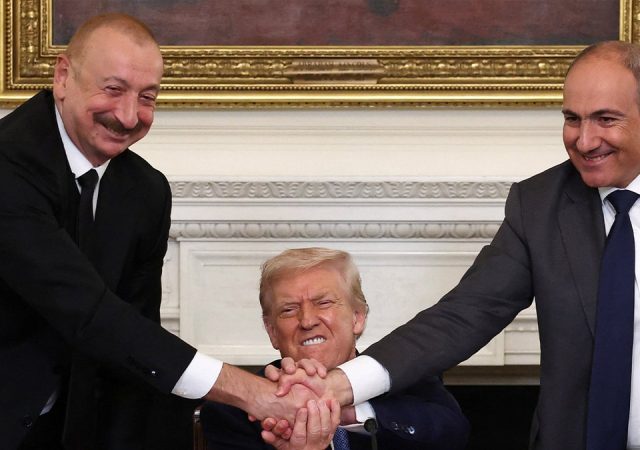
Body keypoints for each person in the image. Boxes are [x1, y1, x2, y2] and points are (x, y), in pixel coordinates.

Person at [265, 41, 640, 450]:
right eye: (572, 119)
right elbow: (462, 317)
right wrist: (339, 384)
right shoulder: (540, 204)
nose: (584, 141)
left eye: (606, 119)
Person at [0, 13, 319, 450]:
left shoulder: (145, 191)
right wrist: (251, 393)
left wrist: (278, 404)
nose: (128, 116)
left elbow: (134, 340)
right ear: (62, 77)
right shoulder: (7, 166)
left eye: (147, 97)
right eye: (113, 89)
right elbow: (88, 312)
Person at [200, 247, 469, 450]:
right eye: (289, 310)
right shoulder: (235, 412)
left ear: (357, 318)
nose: (307, 321)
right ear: (272, 332)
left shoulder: (406, 378)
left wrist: (348, 412)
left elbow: (454, 436)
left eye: (324, 303)